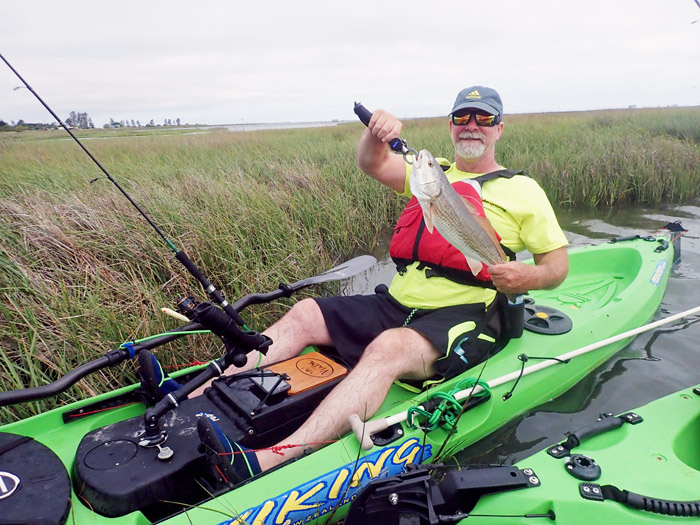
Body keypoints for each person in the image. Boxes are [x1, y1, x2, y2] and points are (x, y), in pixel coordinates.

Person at [180, 86, 570, 482]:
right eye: (462, 118)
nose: (472, 126)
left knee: (388, 348)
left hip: (465, 314)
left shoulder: (523, 190)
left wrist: (528, 276)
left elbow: (557, 266)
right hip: (397, 303)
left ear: (499, 129)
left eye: (483, 119)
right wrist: (375, 132)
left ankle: (263, 461)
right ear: (450, 126)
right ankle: (188, 396)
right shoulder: (431, 174)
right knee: (306, 312)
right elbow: (372, 162)